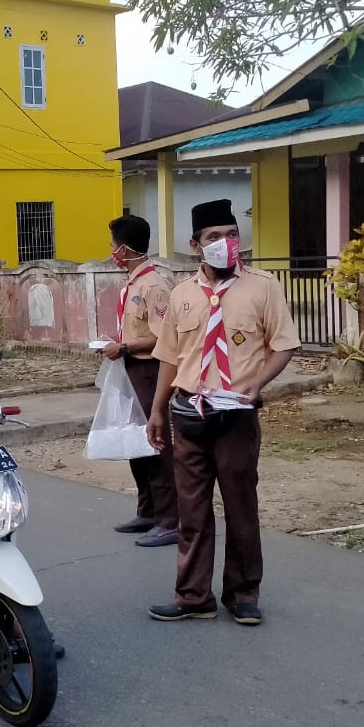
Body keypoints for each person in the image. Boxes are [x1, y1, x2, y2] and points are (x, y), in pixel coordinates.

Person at [145, 200, 300, 627]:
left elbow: (284, 344)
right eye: (214, 237)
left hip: (236, 418)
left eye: (232, 235)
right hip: (189, 416)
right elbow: (170, 358)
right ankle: (193, 595)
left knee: (241, 508)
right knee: (191, 512)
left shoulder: (263, 287)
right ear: (195, 245)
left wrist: (257, 383)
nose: (225, 244)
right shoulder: (181, 295)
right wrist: (157, 412)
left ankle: (243, 593)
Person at [97, 215, 179, 547]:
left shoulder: (154, 285)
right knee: (134, 440)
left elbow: (165, 336)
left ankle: (172, 519)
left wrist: (125, 346)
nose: (112, 253)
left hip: (149, 370)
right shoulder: (134, 282)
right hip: (130, 367)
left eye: (114, 247)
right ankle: (148, 510)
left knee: (154, 441)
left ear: (125, 249)